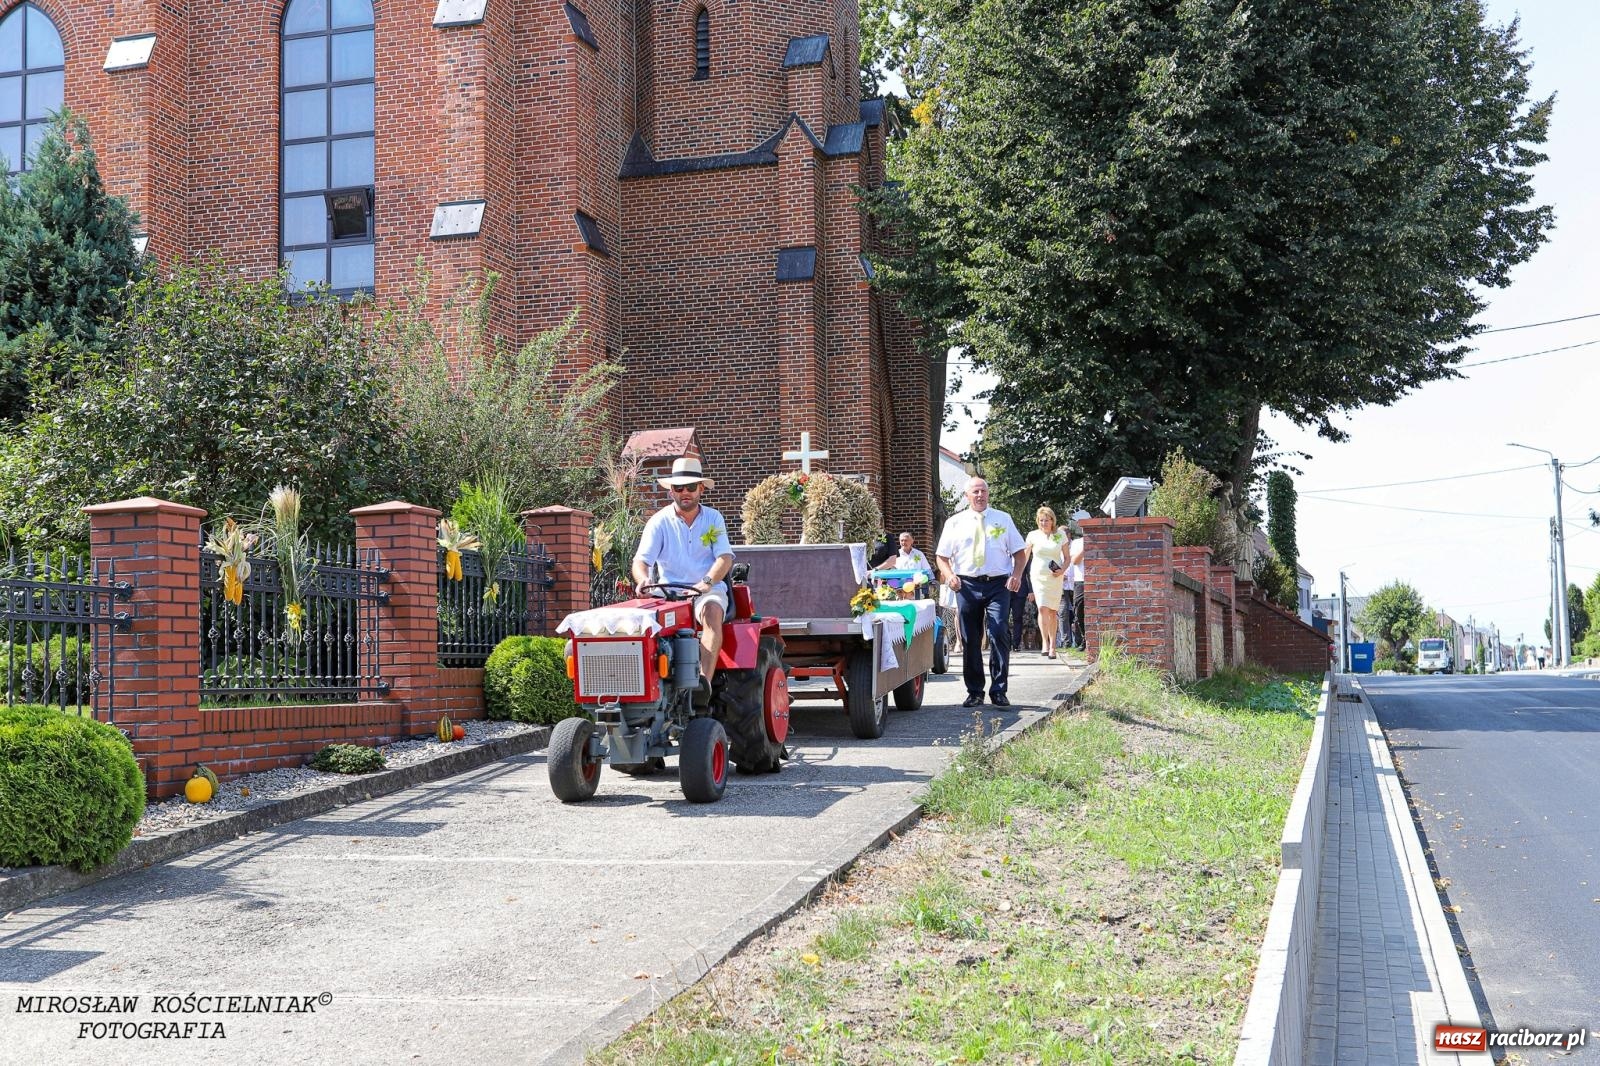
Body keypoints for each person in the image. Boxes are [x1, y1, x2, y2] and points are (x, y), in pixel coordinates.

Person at [631, 456, 734, 699]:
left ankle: (701, 687)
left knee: (712, 614)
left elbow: (724, 559)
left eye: (690, 487)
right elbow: (641, 561)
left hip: (706, 590)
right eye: (679, 488)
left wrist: (705, 583)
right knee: (640, 625)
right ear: (671, 492)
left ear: (700, 488)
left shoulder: (713, 519)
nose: (684, 492)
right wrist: (643, 580)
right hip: (667, 593)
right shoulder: (658, 522)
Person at [935, 477, 1026, 707]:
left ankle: (999, 690)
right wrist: (949, 575)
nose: (980, 495)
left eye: (983, 491)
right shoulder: (955, 522)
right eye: (975, 491)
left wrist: (1016, 575)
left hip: (998, 584)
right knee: (971, 638)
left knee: (998, 631)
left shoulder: (1002, 519)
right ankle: (975, 691)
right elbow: (941, 556)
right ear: (967, 496)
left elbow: (1020, 552)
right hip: (966, 584)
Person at [1024, 507, 1068, 659]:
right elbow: (1024, 556)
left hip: (1055, 576)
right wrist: (1016, 574)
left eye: (1047, 520)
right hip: (1038, 575)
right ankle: (1045, 643)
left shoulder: (1060, 535)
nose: (1044, 522)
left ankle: (1054, 646)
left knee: (1053, 611)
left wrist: (1062, 570)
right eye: (1041, 520)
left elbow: (1067, 558)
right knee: (1042, 607)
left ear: (1052, 520)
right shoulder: (1032, 535)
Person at [1008, 563, 1034, 651]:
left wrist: (1031, 590)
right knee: (1002, 618)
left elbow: (1029, 574)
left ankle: (1016, 644)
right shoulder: (1004, 553)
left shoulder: (1023, 554)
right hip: (1004, 590)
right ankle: (1006, 643)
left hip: (1020, 590)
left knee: (1018, 618)